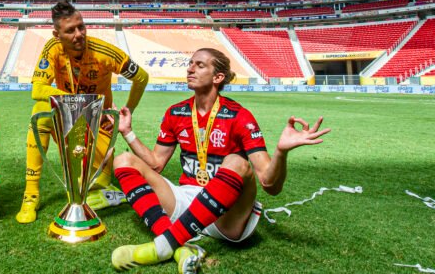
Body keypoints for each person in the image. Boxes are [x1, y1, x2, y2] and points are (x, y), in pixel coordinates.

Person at [110, 48, 330, 272]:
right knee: (123, 160)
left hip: (226, 216)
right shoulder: (175, 113)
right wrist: (128, 132)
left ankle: (163, 245)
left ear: (218, 77)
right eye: (190, 63)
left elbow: (269, 185)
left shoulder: (239, 116)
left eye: (199, 65)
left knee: (236, 162)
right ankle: (178, 246)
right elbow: (156, 163)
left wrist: (281, 153)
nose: (190, 68)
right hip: (185, 202)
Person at [16, 0, 150, 223]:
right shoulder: (52, 48)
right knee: (39, 110)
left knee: (94, 186)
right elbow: (38, 89)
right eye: (70, 30)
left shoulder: (104, 52)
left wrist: (130, 110)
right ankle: (31, 195)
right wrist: (80, 103)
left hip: (98, 128)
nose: (79, 34)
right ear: (56, 34)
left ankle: (99, 187)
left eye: (82, 26)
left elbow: (142, 77)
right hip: (70, 121)